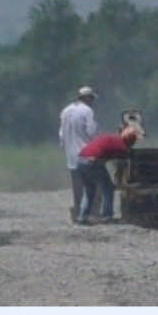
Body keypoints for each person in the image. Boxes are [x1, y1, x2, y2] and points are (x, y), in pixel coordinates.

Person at [74, 123, 143, 223]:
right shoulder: (122, 146)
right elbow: (120, 166)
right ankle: (107, 215)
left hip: (80, 161)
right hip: (93, 162)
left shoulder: (111, 138)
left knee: (89, 190)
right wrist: (121, 181)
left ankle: (82, 217)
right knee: (108, 188)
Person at [57, 86, 100, 225]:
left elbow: (61, 135)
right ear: (87, 98)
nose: (92, 101)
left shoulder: (65, 111)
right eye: (92, 98)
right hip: (85, 153)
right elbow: (91, 132)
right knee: (93, 185)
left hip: (71, 156)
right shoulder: (87, 111)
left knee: (77, 187)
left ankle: (77, 212)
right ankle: (91, 214)